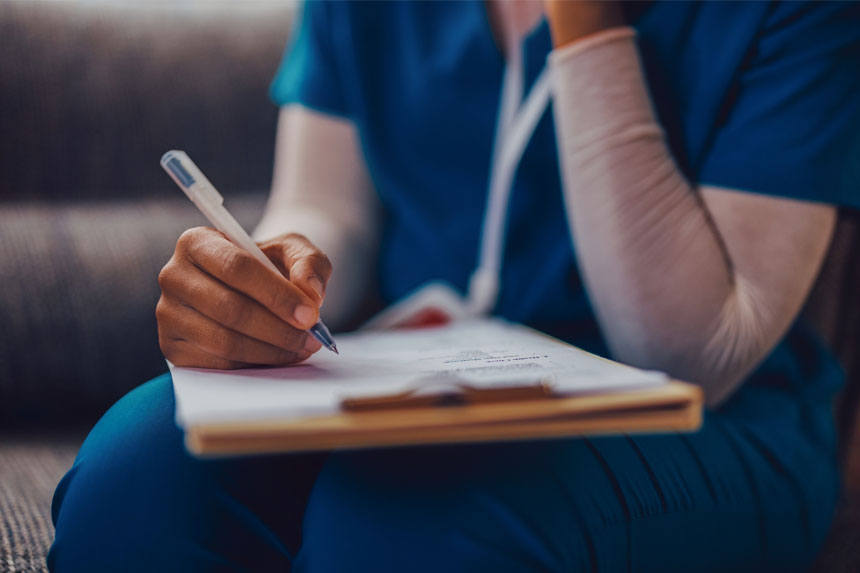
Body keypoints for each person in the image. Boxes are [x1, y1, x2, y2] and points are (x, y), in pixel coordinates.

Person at [49, 1, 860, 571]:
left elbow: (695, 350)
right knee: (135, 481)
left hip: (709, 417)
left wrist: (582, 23)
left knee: (408, 528)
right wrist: (277, 271)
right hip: (426, 383)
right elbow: (330, 207)